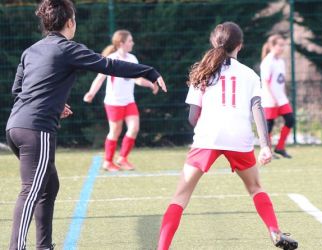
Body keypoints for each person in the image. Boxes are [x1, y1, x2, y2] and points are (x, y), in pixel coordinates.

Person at [5, 0, 167, 249]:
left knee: (49, 185)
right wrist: (149, 71)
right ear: (70, 22)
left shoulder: (31, 50)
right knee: (31, 191)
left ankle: (44, 246)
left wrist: (56, 105)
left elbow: (19, 90)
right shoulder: (67, 48)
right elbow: (108, 65)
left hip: (15, 126)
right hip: (37, 130)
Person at [157, 22, 297, 250]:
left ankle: (161, 248)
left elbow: (193, 117)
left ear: (214, 42)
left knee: (180, 196)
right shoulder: (249, 74)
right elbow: (257, 109)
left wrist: (207, 126)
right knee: (255, 188)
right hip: (239, 138)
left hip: (207, 138)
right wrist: (265, 146)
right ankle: (274, 231)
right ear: (239, 46)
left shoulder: (201, 71)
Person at [83, 30, 159, 172]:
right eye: (130, 41)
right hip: (114, 102)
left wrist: (150, 83)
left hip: (129, 101)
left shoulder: (132, 59)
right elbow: (100, 78)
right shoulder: (111, 59)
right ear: (121, 43)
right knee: (115, 131)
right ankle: (108, 162)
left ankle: (122, 158)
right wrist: (91, 93)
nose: (132, 43)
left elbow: (137, 78)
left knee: (134, 128)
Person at [260, 34, 295, 159]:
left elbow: (280, 81)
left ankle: (280, 147)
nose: (282, 48)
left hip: (281, 99)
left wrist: (283, 95)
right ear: (272, 46)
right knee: (269, 125)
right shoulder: (267, 62)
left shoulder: (280, 61)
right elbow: (265, 82)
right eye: (280, 45)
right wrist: (272, 97)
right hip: (270, 99)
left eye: (283, 45)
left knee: (290, 120)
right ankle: (268, 151)